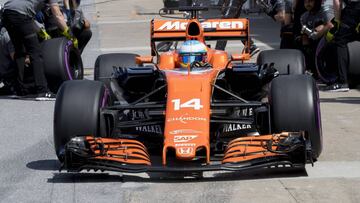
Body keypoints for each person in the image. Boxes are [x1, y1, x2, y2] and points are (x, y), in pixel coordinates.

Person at [1, 0, 70, 99]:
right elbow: (57, 14)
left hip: (7, 13)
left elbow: (28, 18)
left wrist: (40, 32)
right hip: (20, 15)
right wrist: (68, 32)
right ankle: (43, 91)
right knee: (35, 52)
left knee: (19, 51)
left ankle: (20, 90)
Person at [323, 0, 360, 91]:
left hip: (354, 9)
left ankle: (342, 82)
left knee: (340, 41)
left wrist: (337, 20)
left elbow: (336, 2)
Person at [299, 0, 333, 78]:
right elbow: (304, 35)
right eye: (305, 2)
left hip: (327, 39)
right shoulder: (304, 16)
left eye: (310, 1)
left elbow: (331, 25)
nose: (308, 4)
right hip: (312, 41)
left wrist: (320, 31)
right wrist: (306, 49)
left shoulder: (324, 11)